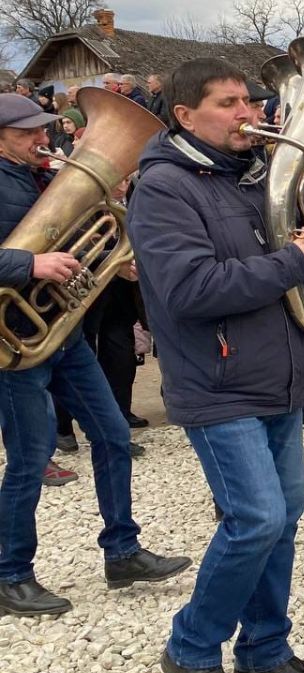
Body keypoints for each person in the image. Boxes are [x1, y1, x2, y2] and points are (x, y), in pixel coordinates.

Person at [127, 58, 304, 673]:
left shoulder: (256, 175)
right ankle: (191, 648)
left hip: (280, 374)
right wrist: (295, 264)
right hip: (218, 381)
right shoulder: (163, 187)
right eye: (229, 104)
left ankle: (264, 647)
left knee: (282, 519)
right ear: (184, 115)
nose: (249, 115)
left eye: (250, 103)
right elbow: (190, 289)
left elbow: (297, 252)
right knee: (255, 519)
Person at [0, 93, 191, 618]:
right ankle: (10, 575)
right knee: (30, 461)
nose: (43, 139)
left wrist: (110, 260)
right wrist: (29, 267)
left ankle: (122, 551)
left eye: (43, 129)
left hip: (65, 337)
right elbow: (31, 259)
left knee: (113, 436)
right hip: (15, 347)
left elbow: (75, 239)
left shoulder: (40, 177)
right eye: (27, 133)